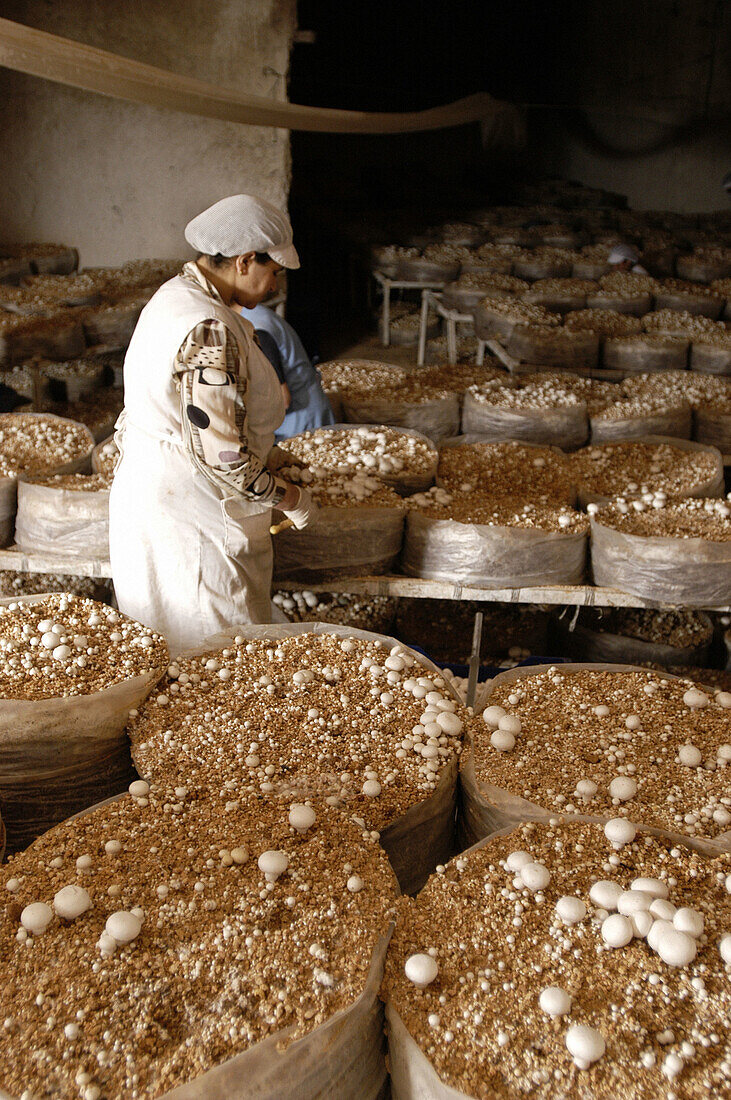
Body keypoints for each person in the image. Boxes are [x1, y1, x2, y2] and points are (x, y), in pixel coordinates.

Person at [109, 194, 317, 654]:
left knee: (176, 652)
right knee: (212, 652)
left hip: (158, 496)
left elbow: (198, 413)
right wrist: (291, 498)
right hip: (192, 518)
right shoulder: (207, 326)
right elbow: (224, 459)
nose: (275, 282)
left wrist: (271, 452)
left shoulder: (178, 296)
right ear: (245, 261)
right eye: (274, 271)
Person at [241, 301, 336, 439]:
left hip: (301, 421)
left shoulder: (257, 329)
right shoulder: (253, 313)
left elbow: (283, 400)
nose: (273, 287)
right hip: (309, 406)